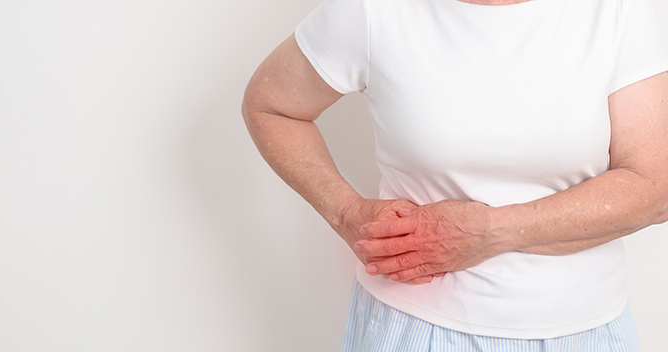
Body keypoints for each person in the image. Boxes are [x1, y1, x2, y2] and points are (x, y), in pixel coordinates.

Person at [242, 0, 668, 350]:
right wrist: (346, 211)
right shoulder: (373, 10)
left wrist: (491, 231)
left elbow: (656, 187)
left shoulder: (615, 10)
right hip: (411, 329)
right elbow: (271, 106)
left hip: (584, 333)